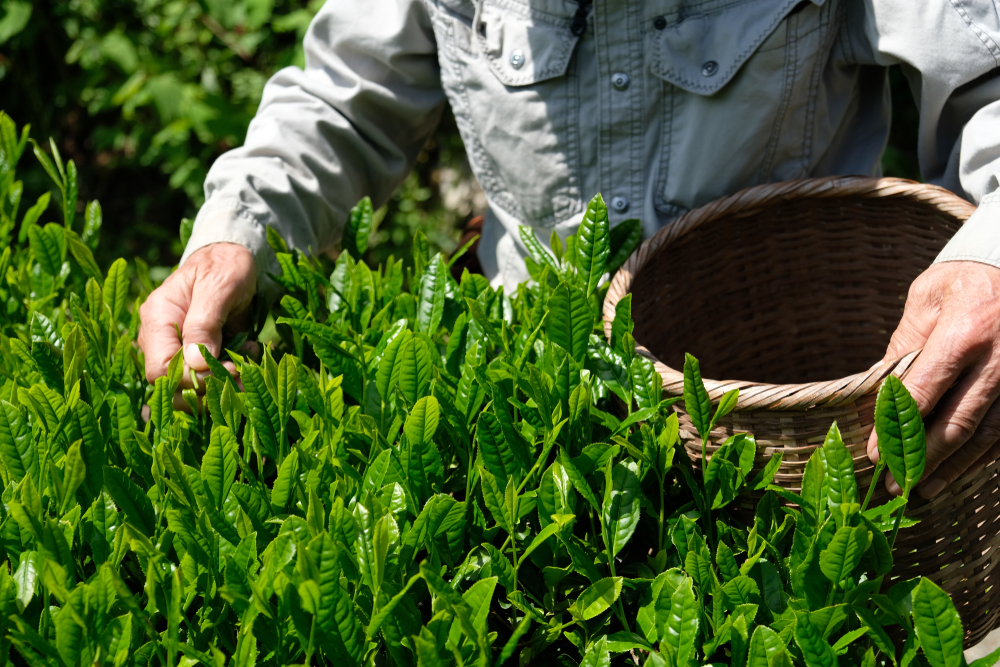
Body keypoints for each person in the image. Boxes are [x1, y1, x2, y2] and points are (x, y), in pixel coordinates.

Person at [137, 0, 1000, 500]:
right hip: (533, 438)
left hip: (794, 439)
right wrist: (237, 231)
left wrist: (990, 253)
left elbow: (983, 81)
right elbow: (347, 97)